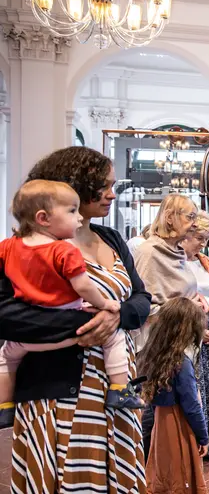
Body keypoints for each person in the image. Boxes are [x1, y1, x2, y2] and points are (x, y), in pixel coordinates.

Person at [0, 146, 151, 492]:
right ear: (74, 186)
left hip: (115, 386)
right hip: (57, 390)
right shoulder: (24, 247)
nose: (112, 194)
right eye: (104, 186)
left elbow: (142, 298)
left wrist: (118, 317)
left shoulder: (110, 237)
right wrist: (85, 326)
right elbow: (5, 315)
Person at [0, 180, 144, 424]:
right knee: (114, 337)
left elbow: (142, 297)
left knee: (5, 356)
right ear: (44, 217)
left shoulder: (8, 247)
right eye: (71, 210)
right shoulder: (63, 250)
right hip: (63, 367)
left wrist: (124, 313)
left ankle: (4, 405)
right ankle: (120, 389)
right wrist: (107, 306)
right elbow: (84, 287)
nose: (111, 194)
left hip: (27, 342)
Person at [134, 193, 203, 460]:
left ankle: (173, 459)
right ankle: (142, 465)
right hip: (158, 343)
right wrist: (185, 307)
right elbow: (144, 304)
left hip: (180, 339)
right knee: (154, 406)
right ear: (170, 217)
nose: (194, 222)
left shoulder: (177, 251)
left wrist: (193, 307)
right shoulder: (149, 252)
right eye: (190, 216)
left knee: (177, 403)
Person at [138, 297, 209, 493]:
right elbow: (191, 405)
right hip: (178, 424)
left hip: (159, 422)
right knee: (182, 475)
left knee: (162, 472)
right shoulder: (181, 363)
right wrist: (204, 438)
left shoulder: (151, 355)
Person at [180, 210, 209, 461]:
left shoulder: (205, 261)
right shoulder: (175, 262)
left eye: (206, 239)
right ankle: (192, 443)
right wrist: (198, 331)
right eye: (200, 237)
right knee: (192, 389)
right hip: (189, 331)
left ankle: (206, 441)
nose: (203, 244)